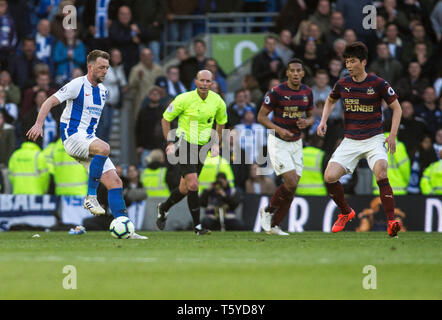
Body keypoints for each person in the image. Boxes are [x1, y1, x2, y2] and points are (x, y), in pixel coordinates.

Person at [26, 50, 147, 240]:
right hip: (72, 137)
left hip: (88, 139)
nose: (105, 71)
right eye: (101, 67)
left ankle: (126, 227)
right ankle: (91, 197)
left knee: (116, 182)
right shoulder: (77, 84)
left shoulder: (104, 92)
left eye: (107, 68)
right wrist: (38, 124)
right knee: (105, 148)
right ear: (90, 67)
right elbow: (50, 101)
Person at [317, 42, 403, 237]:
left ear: (363, 62)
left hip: (374, 139)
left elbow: (397, 108)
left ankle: (391, 221)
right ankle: (346, 212)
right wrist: (323, 121)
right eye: (346, 61)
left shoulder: (378, 83)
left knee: (381, 172)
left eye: (353, 61)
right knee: (329, 177)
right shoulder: (343, 84)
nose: (348, 65)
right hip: (351, 140)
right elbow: (331, 100)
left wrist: (392, 135)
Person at [157, 70, 227, 235]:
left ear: (212, 83)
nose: (204, 84)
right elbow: (165, 119)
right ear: (195, 82)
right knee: (194, 184)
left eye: (207, 81)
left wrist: (216, 144)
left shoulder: (218, 101)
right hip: (184, 143)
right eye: (201, 80)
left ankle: (164, 208)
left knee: (185, 188)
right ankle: (197, 227)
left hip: (203, 147)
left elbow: (221, 122)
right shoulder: (184, 99)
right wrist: (169, 142)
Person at [257, 58, 315, 236]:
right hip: (278, 141)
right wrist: (280, 130)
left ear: (303, 73)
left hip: (296, 142)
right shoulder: (276, 92)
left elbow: (312, 116)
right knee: (290, 181)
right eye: (292, 71)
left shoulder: (307, 92)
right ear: (287, 73)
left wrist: (307, 122)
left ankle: (275, 225)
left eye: (299, 70)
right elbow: (261, 117)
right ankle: (267, 211)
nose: (296, 74)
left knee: (293, 186)